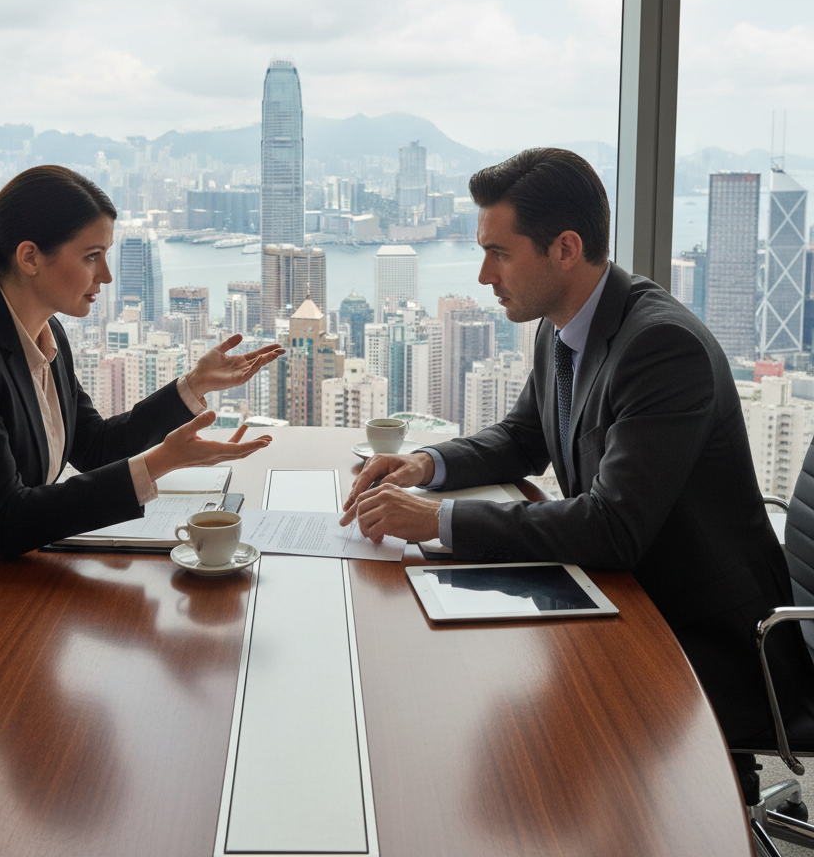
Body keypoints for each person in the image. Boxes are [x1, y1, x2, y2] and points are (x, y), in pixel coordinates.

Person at [341, 147, 813, 780]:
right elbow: (520, 438)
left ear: (565, 248)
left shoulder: (659, 347)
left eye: (500, 254)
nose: (485, 276)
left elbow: (612, 529)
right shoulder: (562, 322)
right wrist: (424, 465)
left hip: (707, 638)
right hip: (624, 595)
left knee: (522, 746)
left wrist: (435, 522)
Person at [0, 165, 283, 703]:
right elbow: (7, 520)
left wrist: (190, 386)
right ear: (30, 257)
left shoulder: (45, 333)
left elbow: (94, 447)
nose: (107, 276)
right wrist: (162, 461)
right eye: (92, 256)